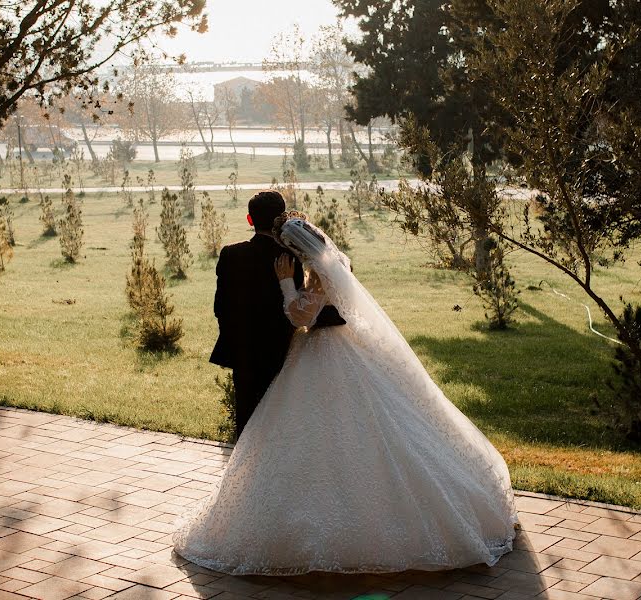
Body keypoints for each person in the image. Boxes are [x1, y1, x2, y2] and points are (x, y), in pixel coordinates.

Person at [175, 212, 518, 575]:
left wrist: (285, 283)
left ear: (298, 249)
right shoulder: (335, 261)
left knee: (327, 429)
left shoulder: (318, 273)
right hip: (344, 346)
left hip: (324, 351)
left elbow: (300, 317)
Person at [209, 191, 303, 439]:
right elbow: (296, 308)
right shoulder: (292, 256)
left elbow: (221, 307)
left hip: (244, 353)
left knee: (247, 424)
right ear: (281, 219)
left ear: (250, 220)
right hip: (282, 352)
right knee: (279, 421)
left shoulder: (230, 254)